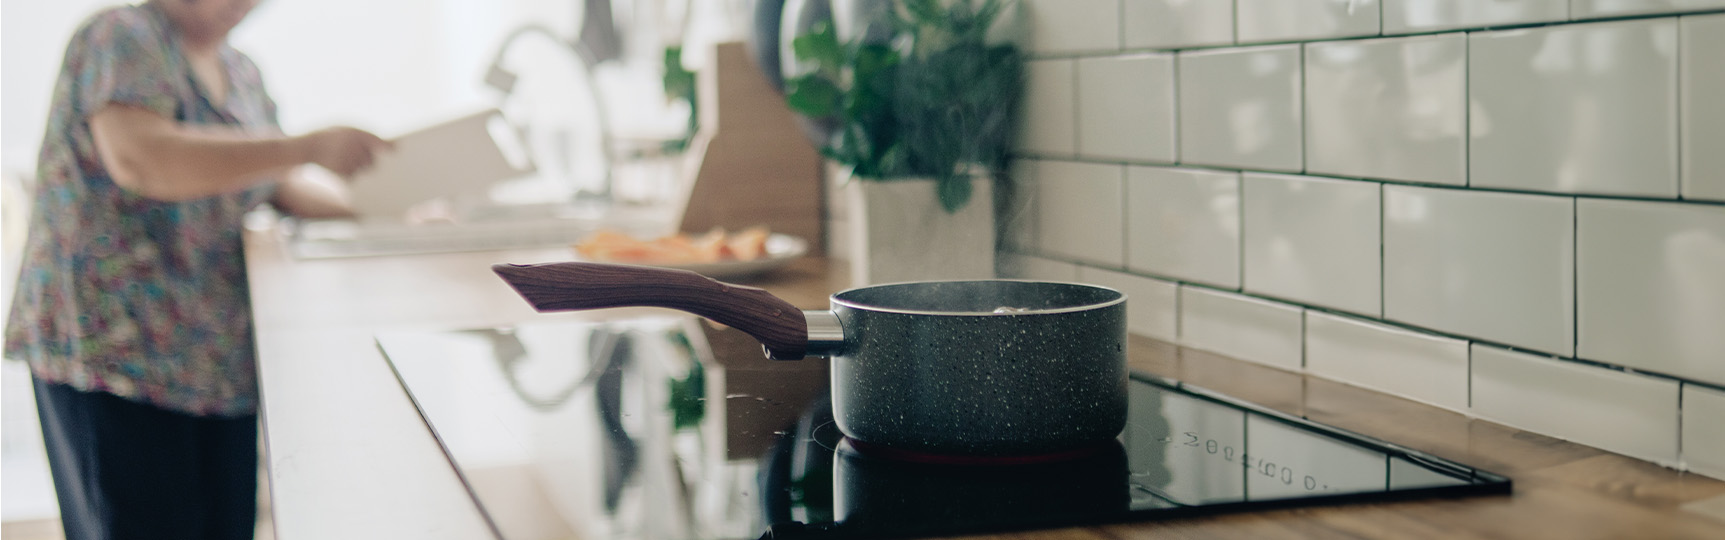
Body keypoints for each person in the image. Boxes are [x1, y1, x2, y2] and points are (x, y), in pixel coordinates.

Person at [3, 1, 392, 538]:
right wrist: (308, 146)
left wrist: (394, 208)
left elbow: (275, 184)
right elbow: (142, 158)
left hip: (210, 357)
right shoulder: (122, 37)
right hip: (115, 351)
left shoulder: (241, 72)